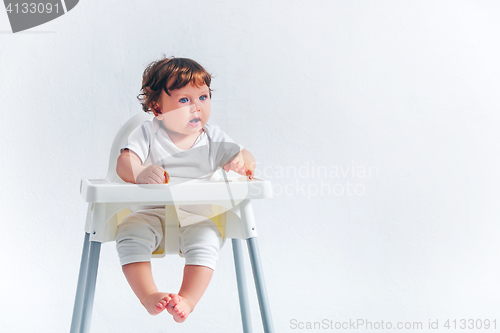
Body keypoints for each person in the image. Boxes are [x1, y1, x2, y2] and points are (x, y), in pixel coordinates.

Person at [115, 57, 256, 323]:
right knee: (129, 232)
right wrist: (140, 172)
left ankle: (188, 299)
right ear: (157, 108)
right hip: (151, 212)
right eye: (184, 100)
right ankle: (148, 295)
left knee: (207, 239)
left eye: (203, 97)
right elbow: (124, 162)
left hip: (198, 215)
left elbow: (246, 155)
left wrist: (242, 162)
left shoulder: (213, 138)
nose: (196, 107)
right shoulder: (148, 134)